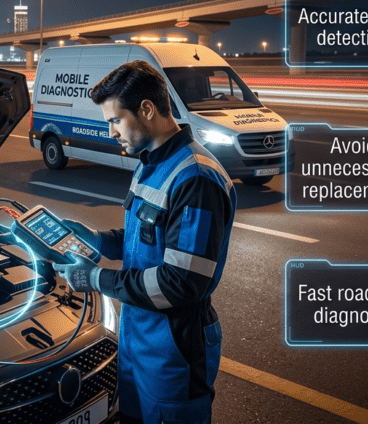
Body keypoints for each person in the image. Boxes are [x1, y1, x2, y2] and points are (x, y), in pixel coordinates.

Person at [52, 60, 236, 424]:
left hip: (175, 349)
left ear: (147, 110)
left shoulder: (195, 178)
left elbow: (180, 283)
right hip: (138, 337)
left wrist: (95, 279)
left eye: (115, 120)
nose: (110, 132)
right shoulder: (150, 162)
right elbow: (144, 239)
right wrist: (96, 240)